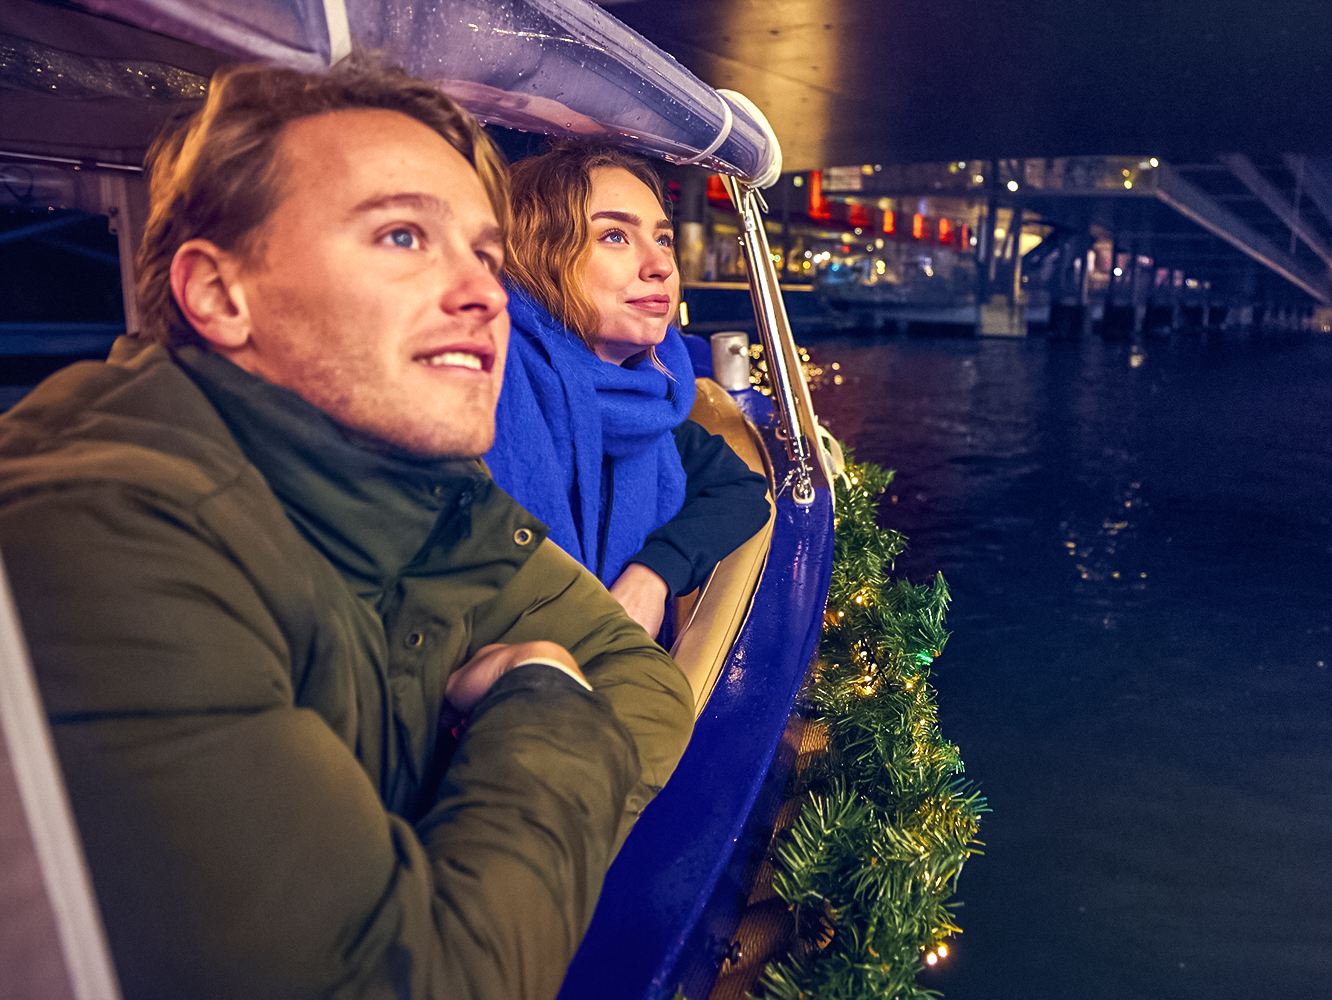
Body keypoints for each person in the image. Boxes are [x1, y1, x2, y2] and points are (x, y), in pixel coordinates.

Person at [0, 56, 693, 999]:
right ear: (219, 295)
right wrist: (543, 699)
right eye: (403, 235)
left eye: (486, 256)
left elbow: (644, 676)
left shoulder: (422, 483)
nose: (486, 295)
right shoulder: (105, 543)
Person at [484, 143, 770, 639]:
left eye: (663, 238)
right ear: (536, 254)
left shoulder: (645, 406)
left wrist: (653, 573)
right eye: (615, 235)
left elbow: (741, 490)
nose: (659, 264)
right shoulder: (486, 388)